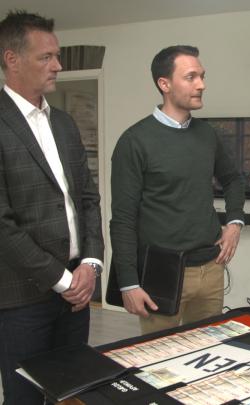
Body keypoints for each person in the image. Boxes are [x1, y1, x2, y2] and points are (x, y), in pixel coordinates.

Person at [0, 10, 104, 405]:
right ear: (12, 59)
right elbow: (3, 225)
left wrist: (91, 265)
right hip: (22, 300)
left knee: (75, 394)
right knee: (25, 399)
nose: (58, 65)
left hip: (78, 290)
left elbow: (89, 198)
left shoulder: (63, 122)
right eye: (46, 57)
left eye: (57, 56)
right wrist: (64, 280)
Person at [110, 45, 245, 335]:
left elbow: (233, 179)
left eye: (202, 76)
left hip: (211, 268)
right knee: (160, 356)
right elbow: (122, 219)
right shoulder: (134, 141)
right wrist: (128, 283)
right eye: (191, 77)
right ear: (165, 84)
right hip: (161, 273)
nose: (202, 84)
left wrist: (235, 222)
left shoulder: (207, 134)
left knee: (209, 350)